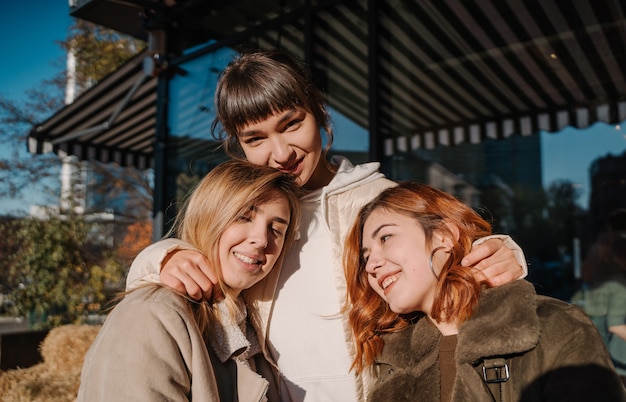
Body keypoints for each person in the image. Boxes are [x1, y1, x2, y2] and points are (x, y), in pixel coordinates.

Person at [125, 50, 528, 401]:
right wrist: (161, 256)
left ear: (318, 111)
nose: (280, 153)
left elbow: (458, 248)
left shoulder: (378, 199)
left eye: (291, 124)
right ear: (237, 144)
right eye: (255, 139)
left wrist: (504, 251)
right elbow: (195, 258)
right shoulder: (246, 215)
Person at [344, 182, 626, 401]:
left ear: (444, 235)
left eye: (386, 237)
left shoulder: (555, 328)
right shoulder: (392, 360)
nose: (372, 265)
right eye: (366, 256)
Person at [78, 160, 301, 401]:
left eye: (276, 230)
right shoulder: (153, 315)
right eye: (244, 217)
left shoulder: (249, 329)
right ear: (207, 217)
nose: (261, 239)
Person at [572, 208, 626, 386]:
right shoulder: (616, 285)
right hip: (612, 358)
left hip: (595, 314)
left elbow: (586, 274)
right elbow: (616, 325)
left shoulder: (600, 247)